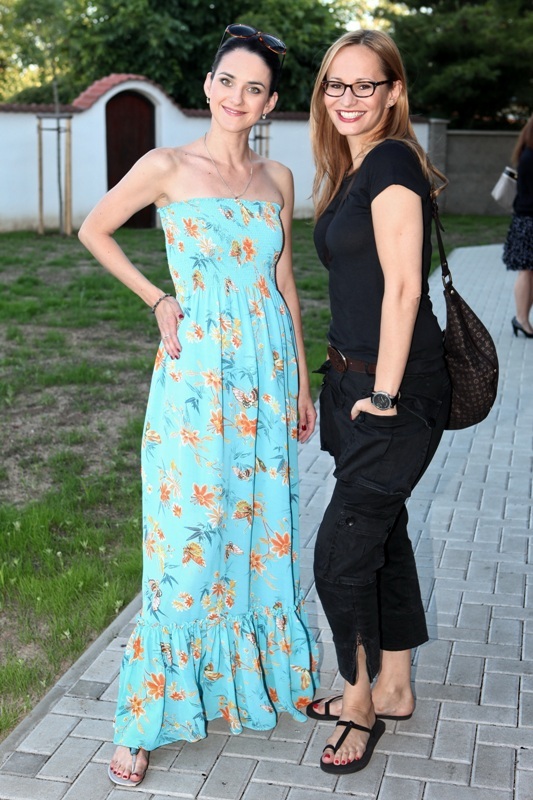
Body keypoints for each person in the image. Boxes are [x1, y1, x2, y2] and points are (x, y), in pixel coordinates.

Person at [79, 23, 319, 787]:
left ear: (269, 102)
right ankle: (143, 718)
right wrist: (158, 299)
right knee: (187, 535)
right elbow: (94, 229)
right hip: (197, 381)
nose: (237, 97)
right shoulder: (165, 165)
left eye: (255, 89)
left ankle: (248, 683)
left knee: (256, 531)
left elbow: (283, 282)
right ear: (208, 85)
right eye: (227, 82)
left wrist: (301, 381)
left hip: (266, 376)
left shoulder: (278, 178)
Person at [304, 29, 451, 775]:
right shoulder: (356, 165)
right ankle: (393, 685)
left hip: (393, 392)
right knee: (381, 534)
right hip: (353, 383)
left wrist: (384, 395)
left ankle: (358, 703)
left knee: (339, 557)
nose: (348, 98)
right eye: (336, 84)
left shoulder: (390, 161)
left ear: (393, 92)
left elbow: (403, 288)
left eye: (366, 84)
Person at [503, 115, 533, 338]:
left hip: (526, 219)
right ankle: (521, 319)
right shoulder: (530, 157)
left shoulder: (526, 154)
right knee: (526, 271)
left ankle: (523, 318)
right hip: (528, 221)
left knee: (529, 271)